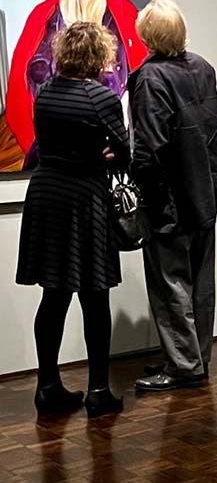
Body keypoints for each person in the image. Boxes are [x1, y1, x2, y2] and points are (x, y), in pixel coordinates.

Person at [16, 22, 129, 418]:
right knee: (95, 296)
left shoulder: (45, 93)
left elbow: (51, 143)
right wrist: (102, 155)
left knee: (54, 293)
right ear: (98, 55)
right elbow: (124, 152)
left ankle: (48, 387)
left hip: (48, 196)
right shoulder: (101, 97)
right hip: (84, 198)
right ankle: (98, 390)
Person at [130, 0, 217, 391]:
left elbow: (150, 148)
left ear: (148, 35)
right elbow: (213, 127)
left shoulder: (150, 79)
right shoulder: (203, 68)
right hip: (204, 190)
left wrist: (145, 194)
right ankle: (194, 358)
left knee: (171, 283)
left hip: (169, 199)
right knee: (201, 282)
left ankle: (184, 366)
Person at [1, 0, 148, 170]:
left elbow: (138, 75)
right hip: (55, 139)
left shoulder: (123, 10)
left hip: (106, 139)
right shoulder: (44, 14)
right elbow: (28, 76)